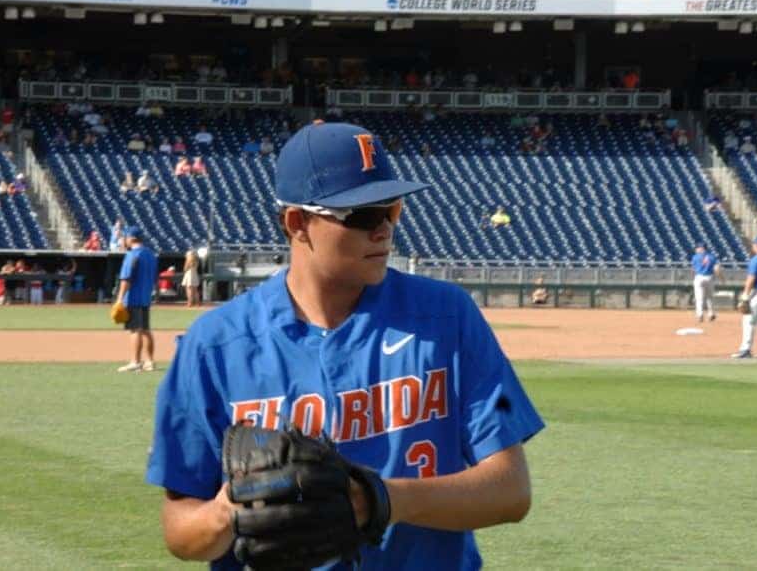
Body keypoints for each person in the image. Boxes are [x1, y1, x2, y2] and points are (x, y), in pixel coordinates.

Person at [145, 121, 542, 570]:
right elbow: (179, 529)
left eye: (392, 210)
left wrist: (384, 500)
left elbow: (511, 491)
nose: (384, 230)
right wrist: (227, 513)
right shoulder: (214, 346)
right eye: (363, 215)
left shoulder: (446, 317)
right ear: (297, 223)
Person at [115, 226, 158, 372]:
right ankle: (150, 362)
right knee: (146, 330)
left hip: (133, 298)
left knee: (135, 330)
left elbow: (126, 279)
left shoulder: (132, 255)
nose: (124, 240)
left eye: (125, 237)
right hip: (146, 297)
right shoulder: (150, 255)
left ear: (132, 238)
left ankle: (135, 362)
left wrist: (119, 298)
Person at [691, 243, 722, 323]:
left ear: (701, 248)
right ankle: (711, 314)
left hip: (699, 277)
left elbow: (693, 270)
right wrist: (721, 278)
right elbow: (716, 269)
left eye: (697, 248)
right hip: (709, 277)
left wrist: (693, 278)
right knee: (710, 297)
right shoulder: (712, 257)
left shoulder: (695, 257)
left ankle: (700, 315)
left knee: (699, 298)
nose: (696, 249)